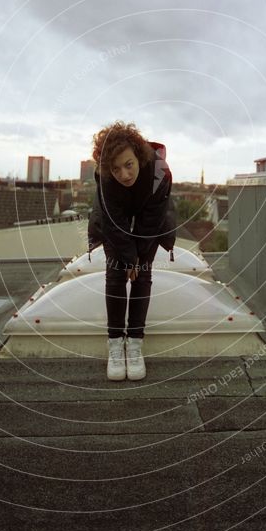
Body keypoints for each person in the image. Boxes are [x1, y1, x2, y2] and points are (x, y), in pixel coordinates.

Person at [88, 121, 176, 381]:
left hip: (151, 223)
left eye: (128, 165)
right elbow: (113, 222)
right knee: (115, 275)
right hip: (115, 224)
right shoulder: (104, 176)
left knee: (143, 275)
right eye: (116, 169)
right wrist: (127, 259)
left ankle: (135, 343)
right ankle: (115, 344)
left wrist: (137, 258)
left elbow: (152, 221)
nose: (124, 174)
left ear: (138, 156)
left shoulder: (160, 172)